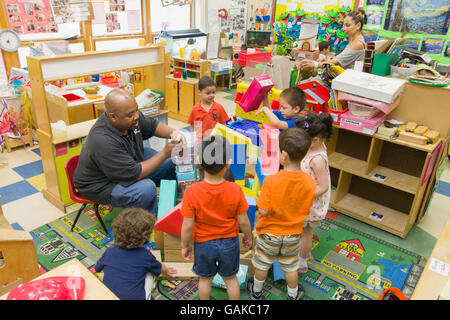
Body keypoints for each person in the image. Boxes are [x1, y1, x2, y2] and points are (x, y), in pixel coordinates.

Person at [74, 88, 186, 216]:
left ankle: (175, 204)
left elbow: (152, 125)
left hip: (126, 161)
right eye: (130, 115)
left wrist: (174, 133)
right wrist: (164, 153)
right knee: (145, 189)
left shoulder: (131, 116)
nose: (136, 116)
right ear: (113, 117)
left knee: (171, 162)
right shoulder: (102, 140)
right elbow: (134, 173)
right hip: (101, 184)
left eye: (136, 110)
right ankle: (147, 224)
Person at [180, 135, 253, 300]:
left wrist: (185, 244)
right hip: (229, 242)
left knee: (205, 279)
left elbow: (187, 225)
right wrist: (248, 237)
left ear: (199, 162)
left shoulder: (191, 191)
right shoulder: (235, 190)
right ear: (228, 164)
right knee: (231, 279)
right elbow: (243, 221)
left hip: (203, 244)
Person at [250, 128, 316, 300]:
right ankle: (292, 294)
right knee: (290, 267)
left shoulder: (272, 180)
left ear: (284, 156)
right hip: (293, 234)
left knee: (262, 265)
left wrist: (259, 197)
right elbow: (304, 205)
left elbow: (263, 210)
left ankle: (256, 292)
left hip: (270, 233)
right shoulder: (309, 181)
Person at [95, 208, 177, 300]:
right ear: (144, 239)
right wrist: (166, 270)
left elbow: (97, 268)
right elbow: (159, 269)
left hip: (108, 296)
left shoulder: (109, 252)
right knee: (151, 271)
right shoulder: (145, 256)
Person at [295, 113, 333, 273]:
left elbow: (323, 186)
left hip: (309, 201)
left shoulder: (317, 159)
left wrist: (304, 195)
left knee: (305, 231)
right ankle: (303, 251)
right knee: (301, 229)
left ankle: (302, 261)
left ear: (316, 139)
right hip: (304, 195)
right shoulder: (315, 146)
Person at [299, 8, 367, 70]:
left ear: (358, 25)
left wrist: (315, 64)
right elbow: (339, 59)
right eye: (343, 25)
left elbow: (336, 62)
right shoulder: (355, 40)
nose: (343, 29)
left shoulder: (358, 43)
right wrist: (326, 60)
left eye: (348, 25)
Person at [188, 76, 230, 143]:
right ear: (199, 92)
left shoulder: (219, 107)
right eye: (208, 93)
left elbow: (223, 124)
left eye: (213, 92)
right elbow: (192, 126)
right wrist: (194, 139)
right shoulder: (195, 109)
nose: (211, 95)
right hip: (201, 142)